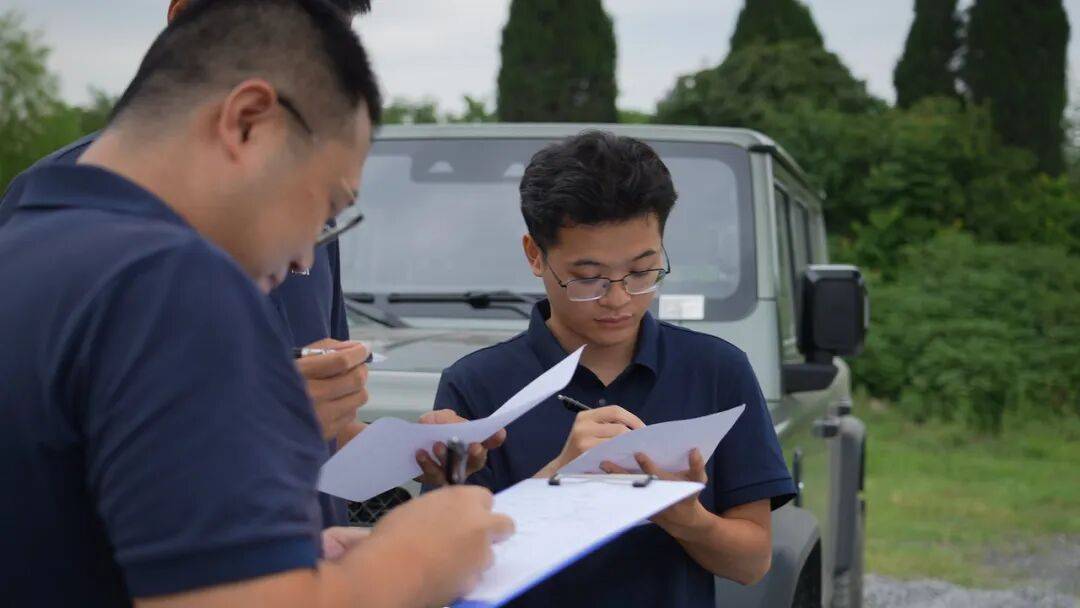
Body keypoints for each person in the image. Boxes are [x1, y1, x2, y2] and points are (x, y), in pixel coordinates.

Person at [0, 1, 512, 605]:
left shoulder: (27, 237)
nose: (303, 258)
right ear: (247, 120)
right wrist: (418, 558)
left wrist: (301, 570)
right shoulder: (173, 279)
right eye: (324, 207)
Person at [433, 131, 797, 607]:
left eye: (643, 271)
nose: (619, 298)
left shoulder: (717, 370)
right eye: (588, 278)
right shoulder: (476, 385)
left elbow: (752, 563)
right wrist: (557, 477)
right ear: (534, 255)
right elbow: (450, 572)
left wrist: (688, 520)